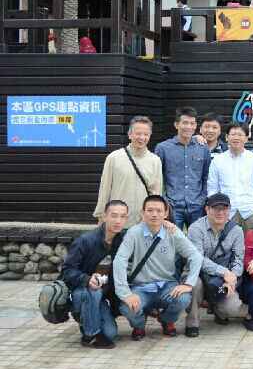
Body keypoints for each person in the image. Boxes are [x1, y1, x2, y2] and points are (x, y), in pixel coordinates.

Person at [113, 195, 203, 340]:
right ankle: (139, 325)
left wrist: (188, 283)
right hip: (141, 287)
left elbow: (196, 256)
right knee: (126, 306)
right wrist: (125, 293)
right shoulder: (134, 233)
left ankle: (166, 320)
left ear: (166, 213)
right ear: (143, 213)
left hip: (167, 285)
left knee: (183, 299)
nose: (154, 214)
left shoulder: (173, 232)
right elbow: (120, 260)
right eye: (150, 210)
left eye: (159, 211)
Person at [61, 200, 129, 348]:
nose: (118, 221)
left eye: (123, 216)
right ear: (104, 216)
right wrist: (86, 279)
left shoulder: (124, 239)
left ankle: (89, 320)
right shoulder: (85, 240)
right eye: (114, 215)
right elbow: (67, 271)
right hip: (81, 292)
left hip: (102, 295)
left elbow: (146, 231)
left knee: (110, 333)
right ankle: (90, 334)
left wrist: (167, 225)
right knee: (93, 291)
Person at [185, 193, 246, 337]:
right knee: (195, 285)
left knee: (232, 307)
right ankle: (192, 323)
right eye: (216, 208)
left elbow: (238, 259)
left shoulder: (236, 230)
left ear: (229, 210)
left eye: (224, 208)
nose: (220, 212)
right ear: (207, 209)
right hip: (198, 273)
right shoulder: (196, 229)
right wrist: (224, 272)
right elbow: (198, 259)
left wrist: (232, 278)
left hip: (222, 279)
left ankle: (218, 310)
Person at [94, 116, 163, 227]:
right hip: (117, 221)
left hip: (142, 222)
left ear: (150, 136)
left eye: (146, 134)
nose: (142, 137)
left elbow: (156, 193)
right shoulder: (114, 158)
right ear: (130, 135)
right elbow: (105, 189)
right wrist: (101, 216)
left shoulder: (155, 161)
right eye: (138, 133)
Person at [154, 107, 211, 229]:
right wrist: (164, 200)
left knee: (197, 239)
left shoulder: (203, 148)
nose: (188, 127)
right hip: (173, 206)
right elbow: (157, 177)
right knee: (172, 238)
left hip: (197, 205)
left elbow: (206, 175)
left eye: (192, 123)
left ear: (195, 126)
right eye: (185, 123)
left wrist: (203, 198)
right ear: (176, 125)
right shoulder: (163, 148)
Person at [207, 122, 253, 231]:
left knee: (252, 242)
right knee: (227, 241)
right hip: (226, 213)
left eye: (240, 135)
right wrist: (217, 209)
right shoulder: (218, 160)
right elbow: (212, 188)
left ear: (246, 138)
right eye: (233, 134)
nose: (236, 138)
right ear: (227, 137)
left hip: (251, 212)